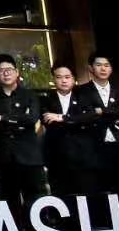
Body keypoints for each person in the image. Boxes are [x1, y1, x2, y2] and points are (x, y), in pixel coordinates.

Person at [0, 53, 47, 225]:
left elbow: (32, 118)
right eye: (1, 70)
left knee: (36, 201)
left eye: (9, 69)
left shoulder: (29, 95)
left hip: (30, 157)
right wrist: (19, 119)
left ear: (17, 72)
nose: (6, 73)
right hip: (4, 158)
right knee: (8, 203)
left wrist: (3, 118)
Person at [76, 52, 119, 192]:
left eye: (107, 65)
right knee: (101, 190)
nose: (103, 69)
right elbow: (83, 116)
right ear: (90, 68)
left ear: (111, 68)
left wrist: (103, 111)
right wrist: (117, 112)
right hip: (95, 147)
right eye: (99, 65)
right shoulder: (81, 91)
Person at [41, 63, 98, 196]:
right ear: (53, 79)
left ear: (73, 79)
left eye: (67, 77)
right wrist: (76, 120)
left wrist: (62, 118)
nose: (64, 80)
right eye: (59, 77)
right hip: (56, 156)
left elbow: (90, 117)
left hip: (82, 156)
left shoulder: (84, 97)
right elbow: (47, 120)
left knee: (85, 195)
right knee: (61, 196)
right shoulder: (46, 100)